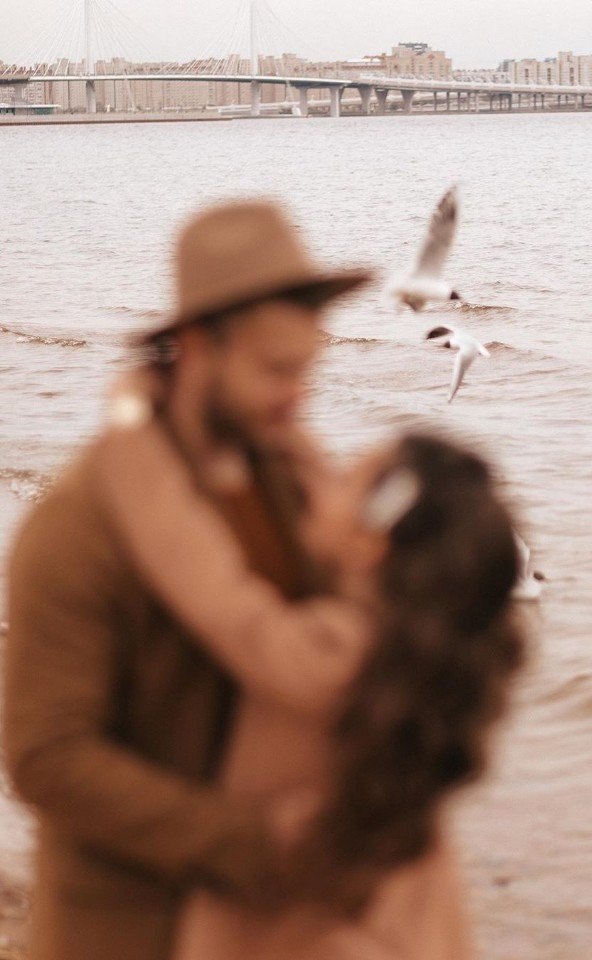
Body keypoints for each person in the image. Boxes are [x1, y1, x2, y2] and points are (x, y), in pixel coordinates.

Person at [1, 199, 372, 960]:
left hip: (277, 924)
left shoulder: (292, 483)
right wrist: (252, 842)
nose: (300, 397)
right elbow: (45, 756)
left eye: (308, 369)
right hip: (132, 928)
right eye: (276, 370)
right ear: (199, 348)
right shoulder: (78, 528)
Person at [92, 411, 528, 960]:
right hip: (412, 922)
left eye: (345, 477)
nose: (321, 481)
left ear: (369, 545)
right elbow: (330, 485)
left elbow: (196, 568)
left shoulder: (328, 657)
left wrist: (133, 428)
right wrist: (270, 421)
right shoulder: (403, 655)